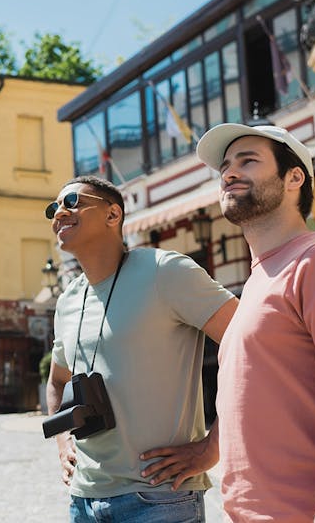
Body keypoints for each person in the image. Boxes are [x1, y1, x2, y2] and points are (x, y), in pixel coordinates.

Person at [195, 123, 315, 521]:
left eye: (248, 161)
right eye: (225, 166)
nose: (229, 173)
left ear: (294, 178)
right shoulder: (257, 281)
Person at [45, 175, 237, 522]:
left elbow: (251, 344)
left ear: (112, 214)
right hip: (83, 501)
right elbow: (57, 380)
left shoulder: (165, 271)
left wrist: (213, 447)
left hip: (159, 499)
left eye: (72, 202)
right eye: (53, 208)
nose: (59, 213)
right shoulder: (68, 300)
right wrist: (62, 440)